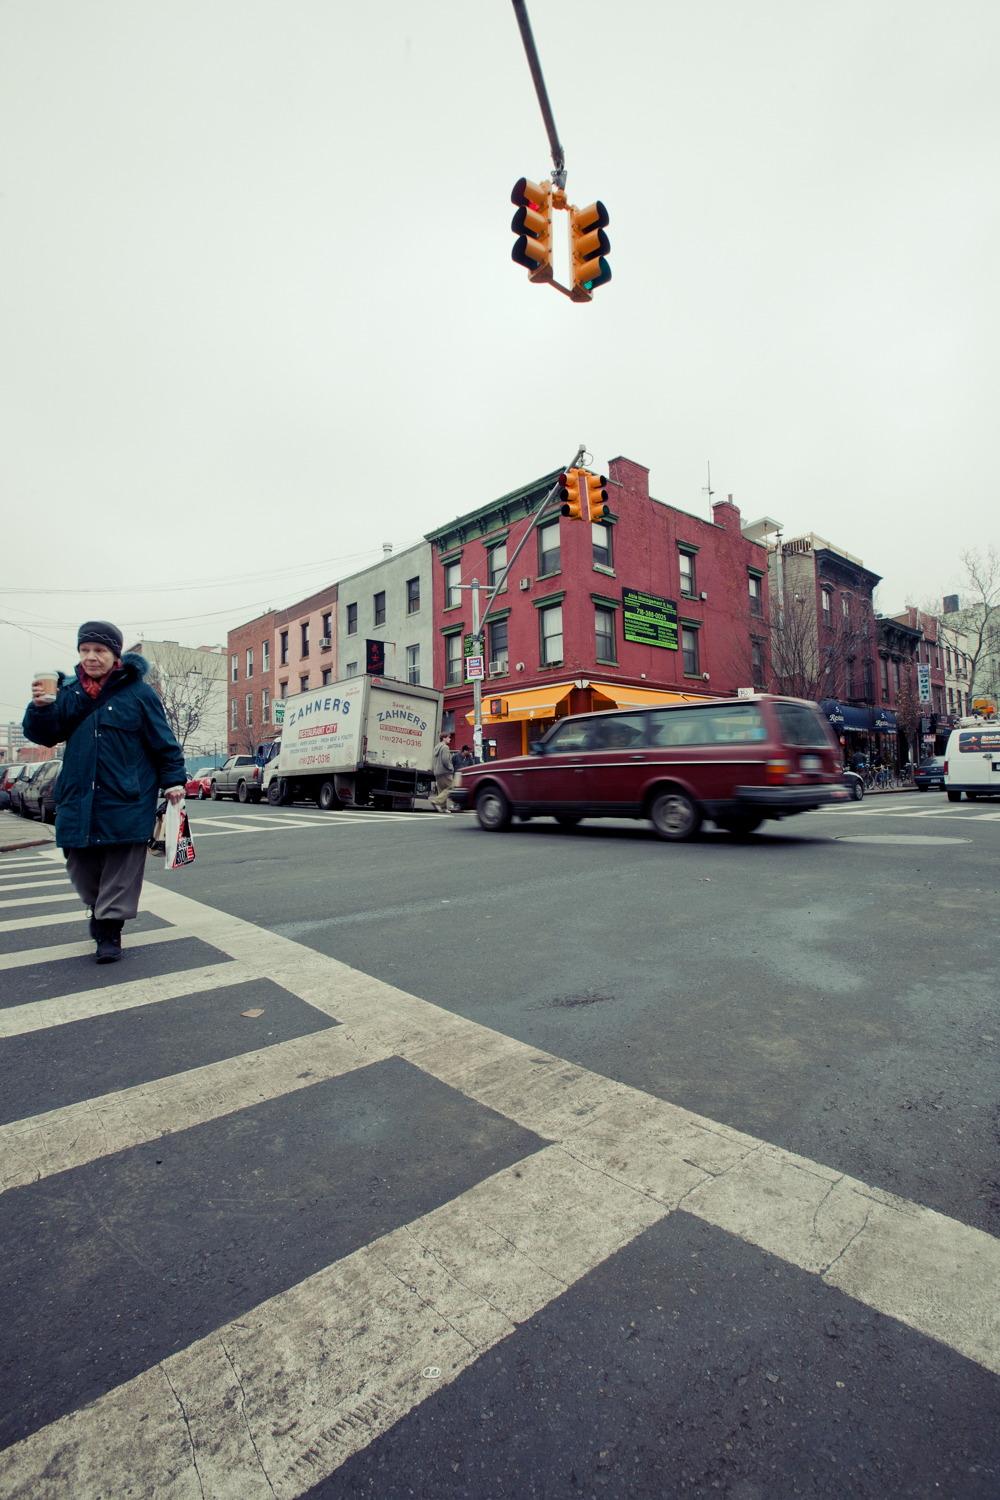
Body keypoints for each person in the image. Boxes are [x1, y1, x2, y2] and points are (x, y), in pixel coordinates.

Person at [23, 622, 187, 963]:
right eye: (85, 650)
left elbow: (163, 742)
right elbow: (45, 736)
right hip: (78, 795)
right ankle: (98, 909)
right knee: (80, 866)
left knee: (121, 867)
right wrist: (40, 708)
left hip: (128, 795)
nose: (91, 657)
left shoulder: (140, 693)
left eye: (99, 650)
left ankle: (110, 931)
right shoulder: (68, 692)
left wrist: (174, 781)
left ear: (115, 655)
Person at [430, 730, 455, 812]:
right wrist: (451, 768)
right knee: (450, 787)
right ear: (444, 738)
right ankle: (437, 801)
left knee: (442, 790)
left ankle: (443, 808)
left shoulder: (436, 747)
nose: (450, 739)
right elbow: (445, 760)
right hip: (445, 772)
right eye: (448, 738)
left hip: (437, 772)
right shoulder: (445, 747)